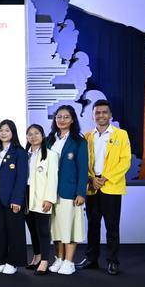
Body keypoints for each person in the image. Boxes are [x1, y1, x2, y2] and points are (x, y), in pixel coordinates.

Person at [78, 99, 132, 275]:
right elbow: (83, 162)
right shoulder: (87, 136)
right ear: (93, 115)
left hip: (111, 186)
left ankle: (112, 261)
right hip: (92, 186)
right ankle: (91, 259)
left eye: (104, 112)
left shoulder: (121, 135)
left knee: (112, 226)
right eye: (97, 112)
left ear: (110, 115)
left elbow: (125, 161)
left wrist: (105, 178)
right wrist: (91, 178)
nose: (101, 115)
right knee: (92, 225)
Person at [46, 105, 88, 275]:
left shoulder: (79, 142)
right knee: (55, 228)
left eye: (66, 117)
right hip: (50, 192)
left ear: (72, 120)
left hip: (69, 192)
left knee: (69, 227)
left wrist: (81, 193)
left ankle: (69, 262)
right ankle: (59, 258)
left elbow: (83, 169)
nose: (61, 120)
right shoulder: (49, 140)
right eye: (58, 117)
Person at [0, 120, 28, 275]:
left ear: (13, 133)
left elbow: (22, 177)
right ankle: (0, 260)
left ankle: (13, 262)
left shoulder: (19, 152)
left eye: (7, 130)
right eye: (1, 130)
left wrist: (17, 199)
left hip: (12, 195)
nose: (3, 133)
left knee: (14, 230)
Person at [24, 124, 59, 275]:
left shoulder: (51, 155)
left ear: (43, 136)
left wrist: (49, 199)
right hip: (26, 194)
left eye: (36, 133)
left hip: (42, 196)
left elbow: (53, 179)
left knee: (43, 230)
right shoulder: (24, 155)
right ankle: (37, 256)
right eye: (30, 134)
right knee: (32, 229)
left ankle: (44, 261)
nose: (33, 136)